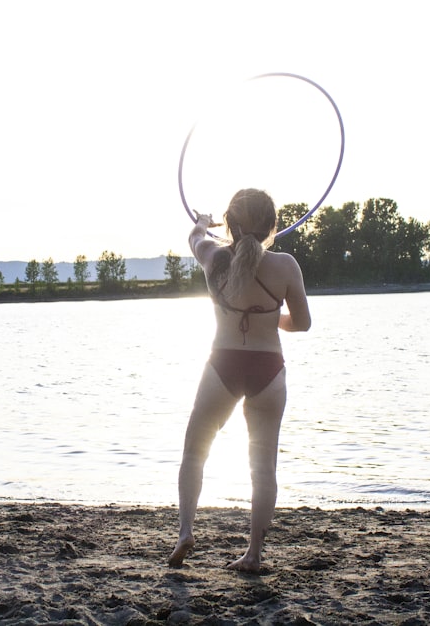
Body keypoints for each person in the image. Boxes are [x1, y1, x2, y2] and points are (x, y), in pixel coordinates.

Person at [168, 188, 312, 573]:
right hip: (268, 368)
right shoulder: (286, 265)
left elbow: (195, 238)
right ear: (272, 227)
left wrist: (201, 223)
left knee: (194, 452)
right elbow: (302, 323)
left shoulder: (215, 257)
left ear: (230, 224)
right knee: (263, 467)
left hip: (223, 365)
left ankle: (185, 532)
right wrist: (269, 317)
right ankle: (253, 554)